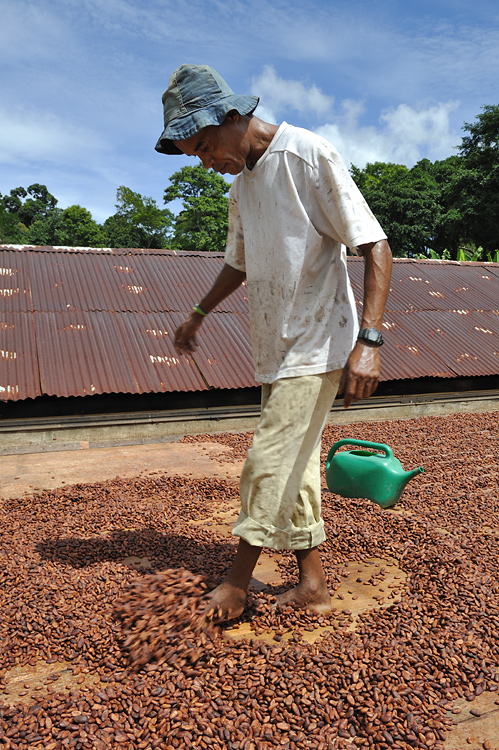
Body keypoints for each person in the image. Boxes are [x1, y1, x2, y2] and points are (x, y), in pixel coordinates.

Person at [155, 64, 392, 622]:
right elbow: (238, 264)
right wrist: (197, 313)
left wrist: (370, 340)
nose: (206, 162)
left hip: (318, 342)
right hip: (276, 348)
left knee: (266, 459)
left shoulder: (307, 156)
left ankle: (236, 582)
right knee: (296, 463)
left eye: (207, 146)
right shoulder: (241, 187)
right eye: (196, 155)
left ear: (234, 117)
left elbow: (374, 245)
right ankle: (312, 582)